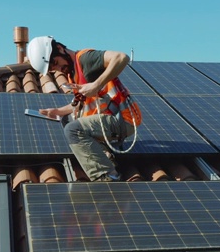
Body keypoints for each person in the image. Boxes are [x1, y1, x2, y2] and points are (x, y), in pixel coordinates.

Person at [26, 36, 142, 182]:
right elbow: (81, 104)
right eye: (52, 68)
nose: (57, 69)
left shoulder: (85, 59)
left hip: (121, 118)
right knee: (69, 119)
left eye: (54, 63)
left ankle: (107, 176)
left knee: (72, 130)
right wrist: (56, 111)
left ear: (60, 49)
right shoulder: (72, 74)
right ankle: (106, 154)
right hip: (107, 121)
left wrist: (96, 85)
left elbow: (121, 57)